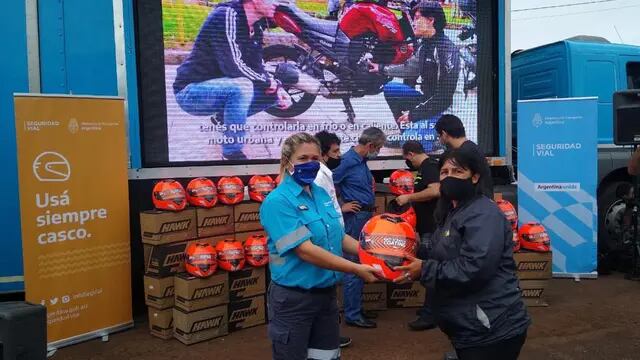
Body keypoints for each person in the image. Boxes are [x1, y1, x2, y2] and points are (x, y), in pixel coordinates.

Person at [394, 149, 530, 360]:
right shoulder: (453, 212)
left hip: (492, 328)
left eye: (457, 171)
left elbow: (474, 268)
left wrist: (424, 269)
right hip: (469, 326)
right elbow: (446, 255)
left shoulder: (484, 214)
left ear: (474, 176)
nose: (449, 177)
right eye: (444, 172)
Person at [260, 132, 380, 359]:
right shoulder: (278, 202)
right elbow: (304, 250)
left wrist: (371, 254)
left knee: (326, 356)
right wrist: (356, 268)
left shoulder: (321, 193)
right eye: (303, 158)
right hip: (294, 300)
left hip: (326, 298)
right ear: (287, 161)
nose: (310, 164)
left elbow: (339, 236)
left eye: (315, 158)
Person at [172, 0, 292, 160]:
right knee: (243, 86)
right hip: (190, 91)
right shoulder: (226, 15)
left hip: (220, 88)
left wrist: (278, 88)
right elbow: (233, 66)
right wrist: (268, 83)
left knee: (272, 94)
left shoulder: (256, 26)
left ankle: (222, 117)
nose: (277, 3)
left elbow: (257, 65)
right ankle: (231, 152)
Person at [369, 0, 460, 151]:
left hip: (443, 110)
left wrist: (413, 115)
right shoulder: (425, 44)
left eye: (417, 18)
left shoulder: (446, 50)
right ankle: (408, 132)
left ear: (431, 20)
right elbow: (409, 68)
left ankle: (437, 139)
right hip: (428, 101)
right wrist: (381, 68)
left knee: (409, 146)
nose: (413, 22)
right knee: (391, 88)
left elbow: (443, 98)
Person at [332, 127, 387, 329]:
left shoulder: (362, 162)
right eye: (378, 148)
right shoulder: (347, 161)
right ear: (370, 145)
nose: (378, 152)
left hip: (364, 216)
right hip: (354, 218)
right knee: (355, 263)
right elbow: (325, 186)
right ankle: (353, 315)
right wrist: (341, 205)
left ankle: (356, 308)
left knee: (364, 260)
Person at [395, 140, 440, 331]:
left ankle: (430, 315)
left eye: (407, 158)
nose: (407, 162)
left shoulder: (429, 166)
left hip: (432, 228)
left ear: (411, 153)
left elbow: (436, 190)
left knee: (429, 270)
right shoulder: (423, 169)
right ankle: (429, 310)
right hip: (426, 229)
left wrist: (408, 197)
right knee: (427, 269)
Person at [313, 130, 351, 348]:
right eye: (335, 151)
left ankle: (329, 334)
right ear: (324, 154)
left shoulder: (325, 173)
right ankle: (327, 336)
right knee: (325, 292)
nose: (340, 155)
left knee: (330, 291)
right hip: (324, 243)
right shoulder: (318, 176)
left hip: (334, 239)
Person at [435, 114, 494, 198]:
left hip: (475, 204)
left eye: (438, 136)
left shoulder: (464, 153)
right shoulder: (472, 148)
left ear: (444, 134)